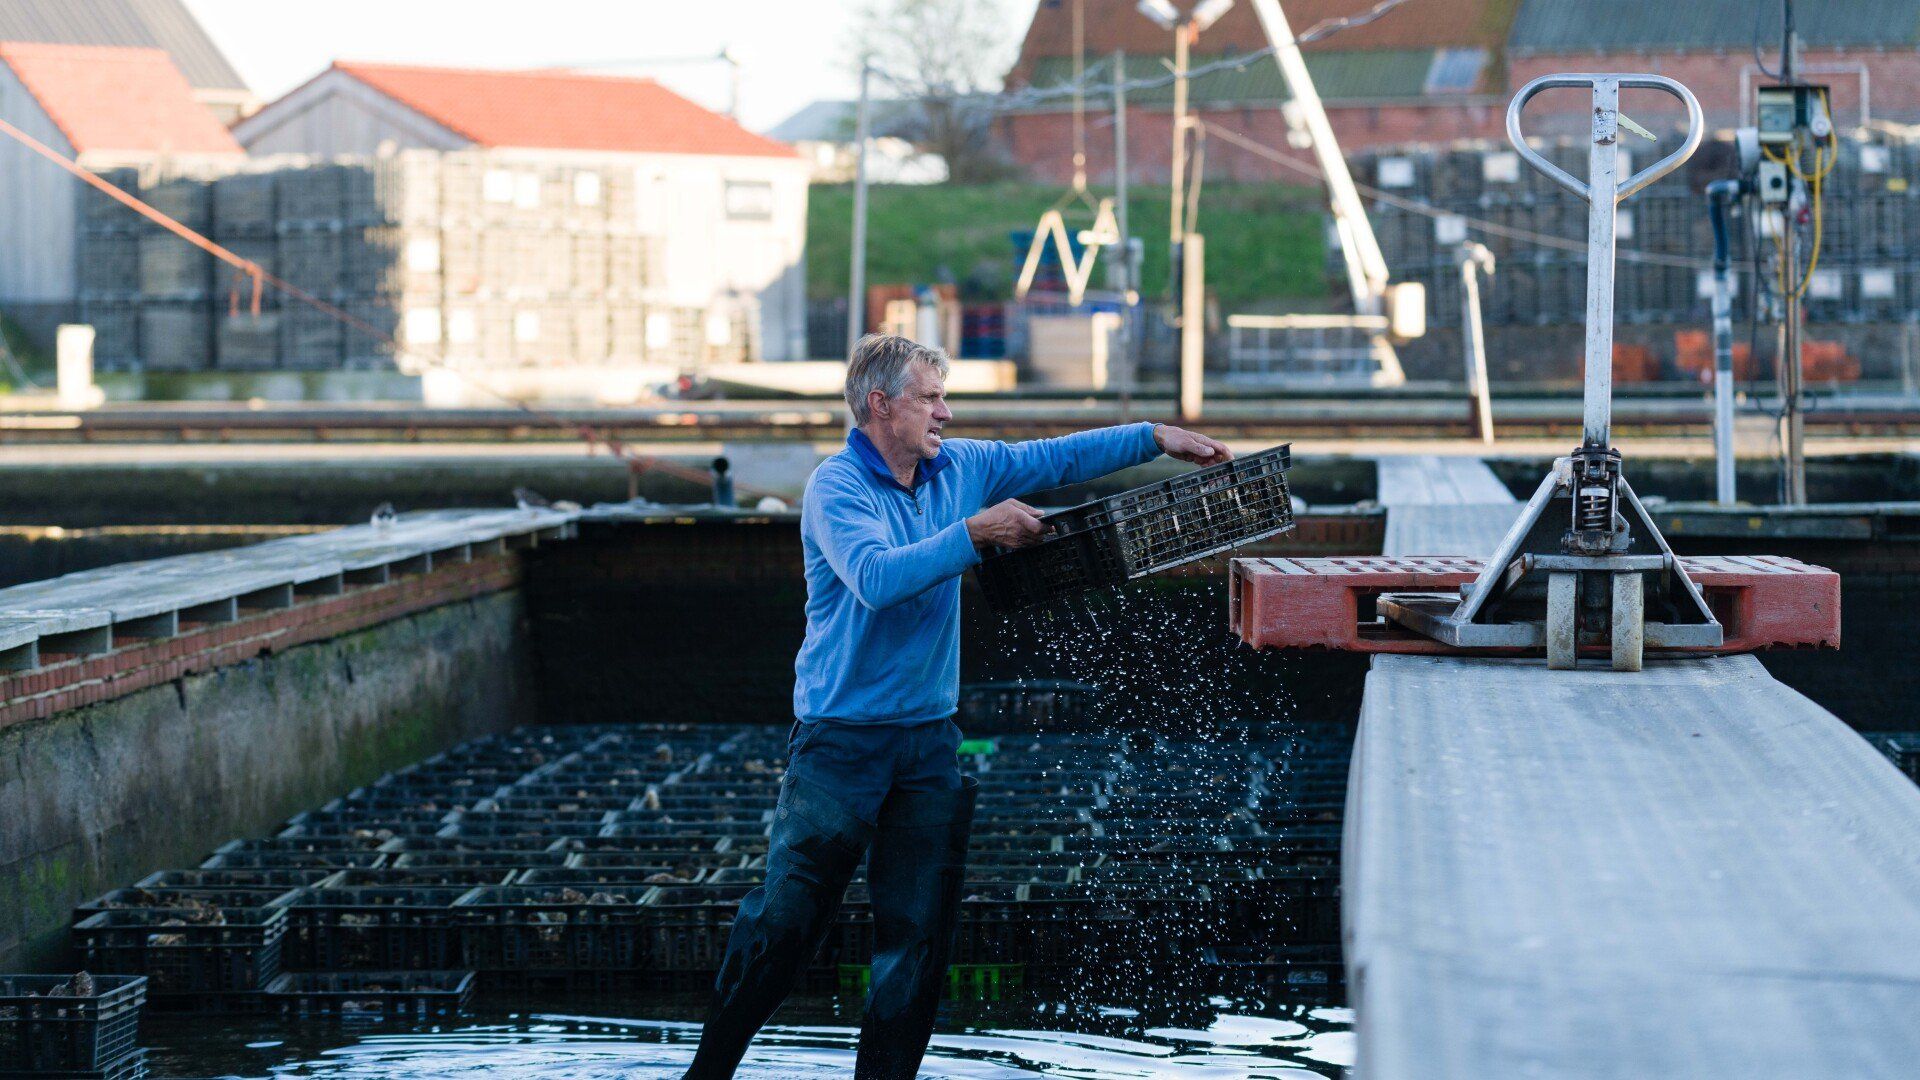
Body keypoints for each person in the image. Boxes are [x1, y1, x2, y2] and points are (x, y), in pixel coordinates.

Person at [683, 334, 1231, 1079]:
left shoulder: (960, 467)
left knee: (918, 940)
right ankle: (708, 1072)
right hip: (841, 743)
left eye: (945, 397)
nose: (946, 411)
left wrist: (1154, 436)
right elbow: (877, 577)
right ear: (881, 406)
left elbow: (1056, 457)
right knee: (785, 928)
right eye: (930, 398)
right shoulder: (836, 487)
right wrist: (976, 533)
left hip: (927, 745)